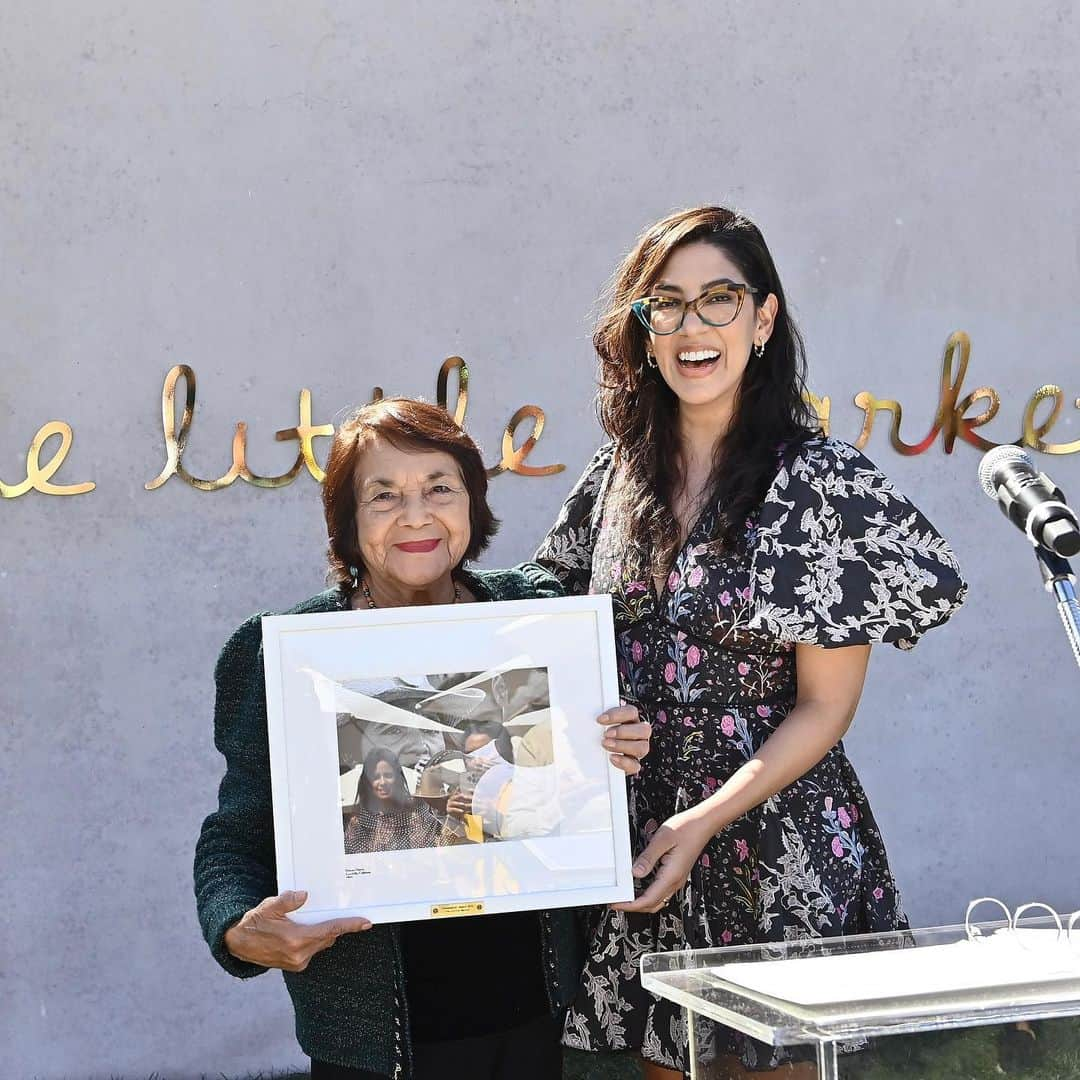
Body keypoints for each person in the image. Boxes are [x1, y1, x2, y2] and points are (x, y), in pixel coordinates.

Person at [533, 206, 967, 1079]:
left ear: (763, 320)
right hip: (648, 837)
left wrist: (702, 822)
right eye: (668, 305)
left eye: (719, 300)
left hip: (777, 841)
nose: (693, 327)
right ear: (644, 331)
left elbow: (825, 707)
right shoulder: (614, 476)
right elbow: (542, 628)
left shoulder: (823, 484)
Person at [193, 397, 652, 1080]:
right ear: (348, 520)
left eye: (439, 488)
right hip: (372, 1043)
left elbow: (571, 794)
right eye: (384, 496)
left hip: (534, 1019)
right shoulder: (283, 654)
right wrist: (236, 927)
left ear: (473, 503)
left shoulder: (538, 620)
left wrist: (615, 750)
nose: (416, 516)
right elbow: (235, 835)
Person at [343, 747, 451, 854]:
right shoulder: (358, 822)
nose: (382, 782)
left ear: (397, 778)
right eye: (375, 777)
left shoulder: (413, 816)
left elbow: (426, 855)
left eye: (388, 775)